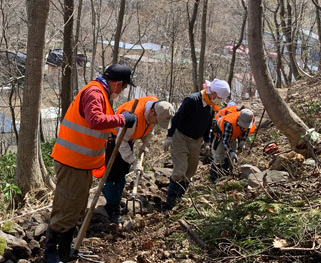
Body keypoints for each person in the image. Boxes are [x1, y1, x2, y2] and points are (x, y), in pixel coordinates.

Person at [44, 63, 137, 263]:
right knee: (67, 205)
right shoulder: (95, 92)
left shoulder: (102, 94)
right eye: (123, 88)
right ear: (118, 84)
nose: (121, 92)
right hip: (72, 161)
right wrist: (122, 118)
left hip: (82, 162)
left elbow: (103, 125)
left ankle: (65, 250)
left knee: (76, 206)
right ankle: (50, 253)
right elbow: (95, 120)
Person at [102, 97, 175, 223]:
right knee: (113, 177)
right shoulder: (133, 117)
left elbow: (149, 128)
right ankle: (111, 210)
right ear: (152, 112)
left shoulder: (156, 107)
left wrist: (145, 145)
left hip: (127, 139)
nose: (157, 123)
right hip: (114, 140)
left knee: (122, 173)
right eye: (158, 120)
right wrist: (134, 161)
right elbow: (121, 143)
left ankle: (116, 202)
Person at [163, 79, 230, 210]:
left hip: (196, 140)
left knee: (191, 170)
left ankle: (180, 198)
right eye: (220, 98)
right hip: (180, 137)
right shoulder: (192, 100)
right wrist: (169, 136)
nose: (220, 101)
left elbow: (207, 124)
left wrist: (207, 141)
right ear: (214, 93)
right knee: (180, 169)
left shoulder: (211, 106)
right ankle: (170, 202)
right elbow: (177, 117)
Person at [209, 106, 255, 181]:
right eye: (243, 125)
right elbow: (225, 141)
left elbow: (246, 131)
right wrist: (231, 151)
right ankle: (213, 178)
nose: (245, 127)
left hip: (233, 135)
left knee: (231, 157)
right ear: (239, 120)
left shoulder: (250, 119)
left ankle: (225, 172)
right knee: (219, 156)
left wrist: (242, 141)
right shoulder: (229, 123)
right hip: (221, 135)